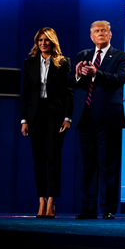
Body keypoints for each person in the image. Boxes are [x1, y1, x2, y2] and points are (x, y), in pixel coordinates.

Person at [70, 20, 125, 220]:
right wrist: (78, 75)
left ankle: (108, 209)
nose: (101, 33)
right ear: (91, 36)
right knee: (88, 166)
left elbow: (119, 79)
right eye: (97, 31)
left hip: (108, 117)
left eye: (104, 30)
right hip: (85, 116)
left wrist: (97, 74)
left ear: (110, 35)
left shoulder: (121, 57)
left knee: (108, 165)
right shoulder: (83, 56)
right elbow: (74, 84)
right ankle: (88, 208)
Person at [21, 27, 73, 218]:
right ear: (37, 43)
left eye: (46, 40)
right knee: (38, 160)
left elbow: (68, 93)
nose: (43, 43)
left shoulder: (63, 63)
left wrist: (67, 118)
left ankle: (52, 201)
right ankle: (41, 200)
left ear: (52, 42)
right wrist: (24, 120)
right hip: (35, 115)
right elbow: (25, 94)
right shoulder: (30, 63)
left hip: (55, 115)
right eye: (40, 40)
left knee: (53, 158)